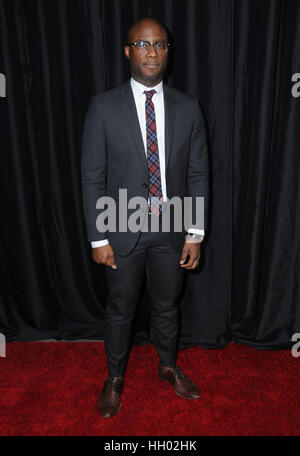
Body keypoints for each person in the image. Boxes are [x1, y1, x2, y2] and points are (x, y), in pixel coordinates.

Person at [81, 17, 209, 418]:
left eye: (159, 45)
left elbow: (199, 173)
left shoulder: (189, 107)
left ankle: (168, 366)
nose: (151, 52)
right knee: (120, 306)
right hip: (122, 224)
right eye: (142, 45)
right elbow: (91, 177)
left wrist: (196, 232)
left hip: (172, 225)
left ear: (168, 52)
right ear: (127, 51)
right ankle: (114, 378)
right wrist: (98, 238)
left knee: (168, 305)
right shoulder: (103, 106)